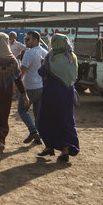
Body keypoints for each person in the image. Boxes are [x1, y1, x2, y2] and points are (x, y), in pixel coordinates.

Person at [0, 32, 30, 159]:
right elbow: (18, 79)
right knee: (3, 117)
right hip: (7, 93)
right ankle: (1, 140)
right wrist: (24, 94)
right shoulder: (13, 60)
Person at [36, 34, 80, 163]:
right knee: (65, 121)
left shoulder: (51, 57)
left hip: (52, 93)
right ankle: (65, 150)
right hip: (67, 93)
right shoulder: (72, 57)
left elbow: (41, 72)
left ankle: (49, 146)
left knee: (46, 119)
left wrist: (42, 64)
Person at [17, 31, 47, 145]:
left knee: (22, 110)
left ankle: (33, 131)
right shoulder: (45, 52)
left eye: (28, 39)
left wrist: (17, 86)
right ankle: (38, 136)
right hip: (40, 87)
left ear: (36, 40)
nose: (25, 41)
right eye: (25, 39)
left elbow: (22, 72)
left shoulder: (29, 53)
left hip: (30, 87)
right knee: (37, 113)